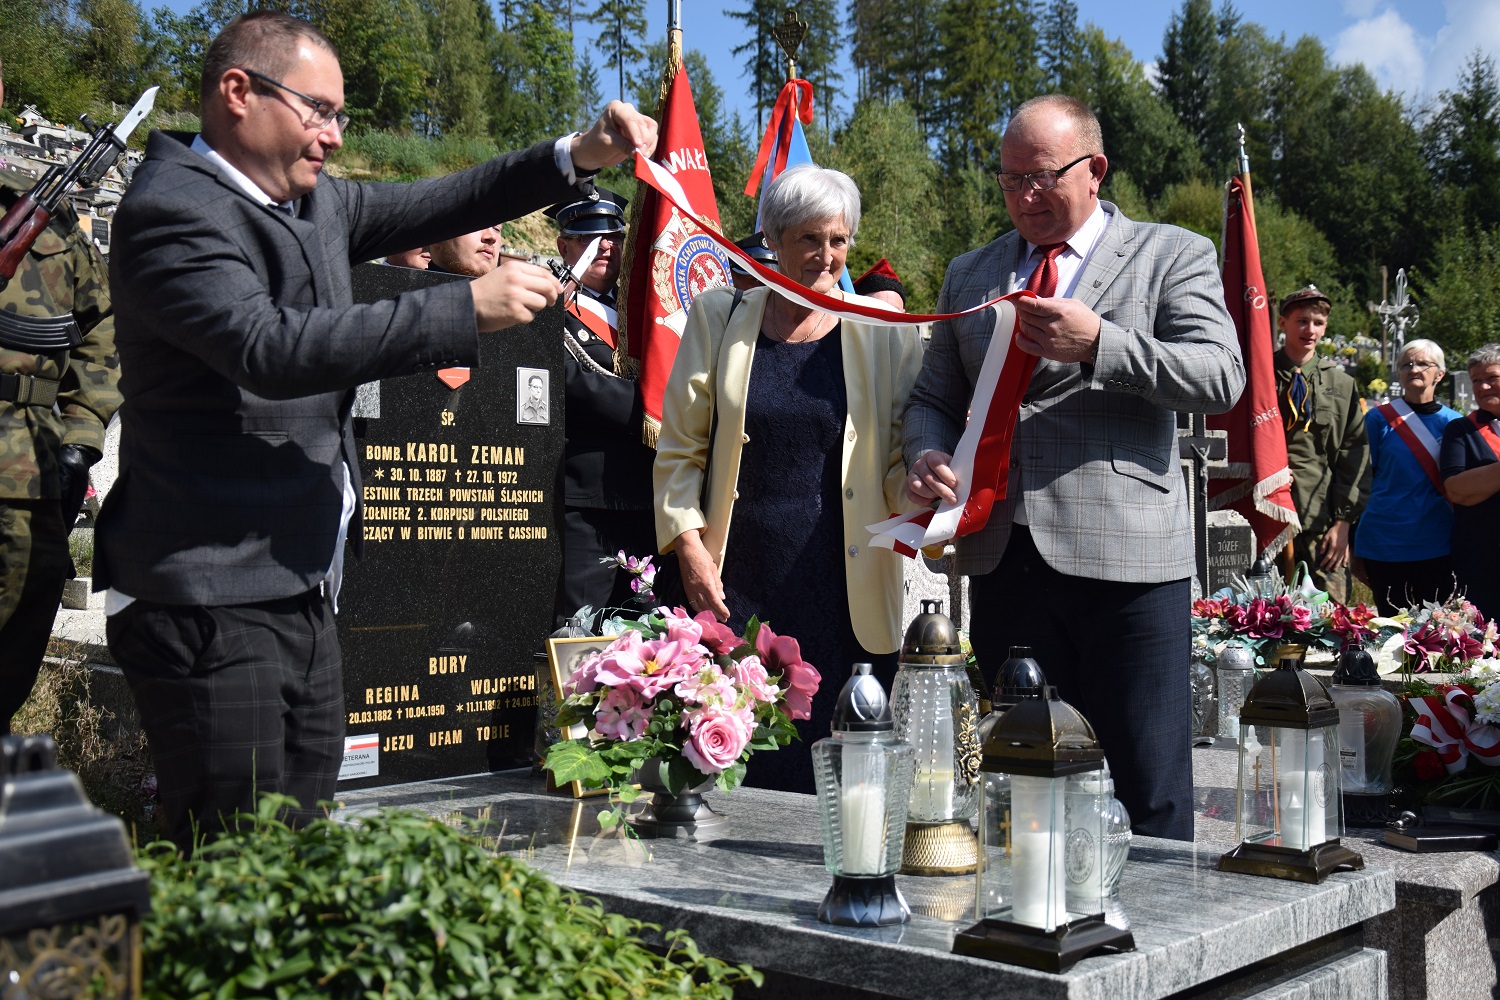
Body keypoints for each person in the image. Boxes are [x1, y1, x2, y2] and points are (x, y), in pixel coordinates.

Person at [94, 10, 656, 848]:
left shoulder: (315, 201)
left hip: (299, 589)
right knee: (233, 855)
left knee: (306, 848)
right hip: (207, 593)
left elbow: (447, 198)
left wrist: (580, 153)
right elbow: (267, 348)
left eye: (340, 115)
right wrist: (462, 309)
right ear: (237, 92)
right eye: (317, 110)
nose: (333, 135)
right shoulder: (171, 210)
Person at [903, 95, 1243, 840]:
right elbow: (932, 398)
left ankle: (1160, 919)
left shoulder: (1170, 254)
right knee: (1024, 785)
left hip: (1130, 567)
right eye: (1009, 180)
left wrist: (1101, 345)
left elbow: (1221, 376)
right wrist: (925, 452)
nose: (1024, 197)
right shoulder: (971, 272)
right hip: (1005, 562)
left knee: (1148, 789)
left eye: (1042, 178)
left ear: (1095, 170)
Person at [655, 163, 924, 794]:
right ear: (773, 239)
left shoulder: (884, 331)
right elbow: (681, 449)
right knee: (737, 774)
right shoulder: (719, 317)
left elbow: (898, 459)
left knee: (844, 781)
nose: (826, 257)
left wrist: (921, 494)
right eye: (809, 239)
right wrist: (688, 547)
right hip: (738, 587)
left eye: (839, 240)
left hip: (845, 594)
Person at [0, 57, 121, 735]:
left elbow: (100, 331)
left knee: (17, 645)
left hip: (30, 474)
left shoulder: (44, 213)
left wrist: (81, 438)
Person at [547, 191, 657, 627]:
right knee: (583, 628)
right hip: (589, 498)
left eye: (615, 236)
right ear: (564, 247)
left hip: (646, 495)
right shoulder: (550, 308)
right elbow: (569, 382)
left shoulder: (642, 311)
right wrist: (653, 408)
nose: (606, 245)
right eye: (588, 237)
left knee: (645, 630)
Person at [1273, 285, 1369, 601]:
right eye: (1302, 321)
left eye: (1318, 323)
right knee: (1259, 618)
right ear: (1283, 323)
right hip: (1267, 522)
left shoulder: (1341, 384)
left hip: (1322, 522)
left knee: (1331, 617)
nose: (1310, 330)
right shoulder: (1259, 378)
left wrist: (1343, 523)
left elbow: (1354, 454)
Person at [1352, 339, 1461, 614]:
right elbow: (1361, 479)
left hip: (1437, 542)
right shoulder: (1378, 420)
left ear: (1439, 374)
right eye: (1406, 365)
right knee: (1391, 628)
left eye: (1423, 363)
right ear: (1399, 374)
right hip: (1385, 540)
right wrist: (1354, 542)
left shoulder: (1454, 424)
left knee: (1437, 628)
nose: (1413, 369)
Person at [1441, 343, 1500, 620]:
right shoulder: (1461, 431)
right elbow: (1457, 490)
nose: (1483, 387)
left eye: (1492, 377)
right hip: (1483, 557)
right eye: (1476, 380)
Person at [426, 226, 500, 277]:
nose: (492, 237)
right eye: (477, 223)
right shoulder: (421, 293)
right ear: (437, 235)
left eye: (497, 229)